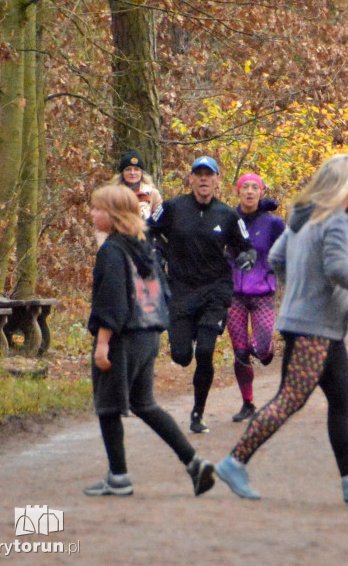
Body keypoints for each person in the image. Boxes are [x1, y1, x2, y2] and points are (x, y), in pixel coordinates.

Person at [214, 153, 348, 503]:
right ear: (347, 185)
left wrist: (298, 292)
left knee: (342, 396)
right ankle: (234, 462)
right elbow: (337, 266)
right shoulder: (338, 221)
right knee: (290, 399)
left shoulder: (303, 219)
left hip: (318, 326)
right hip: (315, 327)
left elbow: (277, 258)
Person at [84, 185, 215, 497]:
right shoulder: (143, 246)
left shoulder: (113, 250)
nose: (92, 214)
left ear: (113, 214)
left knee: (107, 406)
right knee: (144, 405)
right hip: (149, 335)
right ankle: (195, 463)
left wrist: (102, 343)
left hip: (123, 338)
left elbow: (112, 299)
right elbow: (164, 292)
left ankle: (118, 477)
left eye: (98, 208)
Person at [148, 156, 255, 434]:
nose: (204, 179)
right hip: (181, 291)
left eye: (209, 175)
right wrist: (157, 252)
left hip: (214, 292)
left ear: (218, 181)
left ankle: (198, 413)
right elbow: (149, 231)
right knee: (182, 356)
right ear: (191, 179)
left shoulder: (227, 215)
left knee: (205, 352)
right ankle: (189, 331)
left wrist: (246, 258)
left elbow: (246, 246)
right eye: (199, 174)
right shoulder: (172, 208)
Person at [227, 173, 286, 423]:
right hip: (234, 295)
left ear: (261, 193)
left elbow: (287, 250)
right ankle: (248, 403)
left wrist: (280, 273)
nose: (250, 191)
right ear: (238, 191)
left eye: (254, 188)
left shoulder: (273, 223)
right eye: (245, 187)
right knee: (240, 352)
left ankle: (267, 349)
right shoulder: (228, 219)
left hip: (263, 292)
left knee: (261, 349)